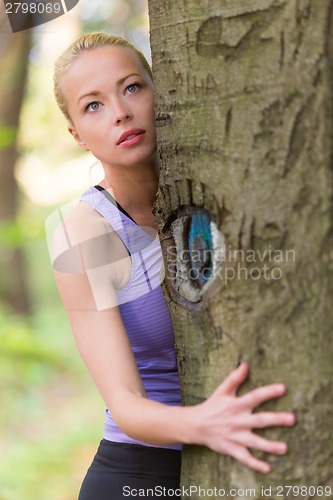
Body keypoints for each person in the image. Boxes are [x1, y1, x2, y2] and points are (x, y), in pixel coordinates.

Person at [51, 32, 296, 499]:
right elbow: (124, 403)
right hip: (140, 473)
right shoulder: (85, 234)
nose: (120, 112)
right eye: (93, 105)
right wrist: (203, 423)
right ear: (77, 136)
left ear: (161, 89)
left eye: (131, 87)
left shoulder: (221, 184)